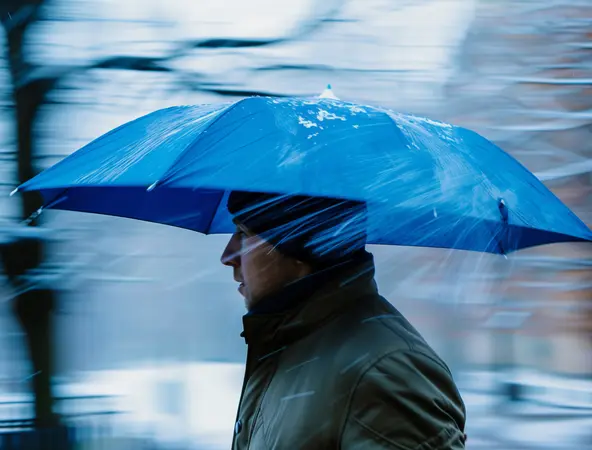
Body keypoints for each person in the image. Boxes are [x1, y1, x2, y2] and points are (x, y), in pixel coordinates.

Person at [221, 190, 466, 450]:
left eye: (244, 235)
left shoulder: (385, 368)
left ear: (298, 246)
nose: (227, 256)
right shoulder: (290, 346)